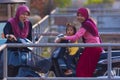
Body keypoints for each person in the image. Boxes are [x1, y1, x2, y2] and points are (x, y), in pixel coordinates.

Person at [55, 8, 103, 77]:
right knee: (85, 67)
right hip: (94, 47)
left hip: (92, 48)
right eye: (78, 15)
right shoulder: (89, 22)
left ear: (86, 15)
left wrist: (63, 37)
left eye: (81, 15)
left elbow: (76, 37)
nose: (79, 17)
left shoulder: (86, 24)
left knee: (81, 68)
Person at [2, 5, 32, 77]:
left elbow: (30, 37)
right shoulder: (11, 22)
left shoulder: (28, 24)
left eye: (26, 15)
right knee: (10, 67)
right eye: (23, 14)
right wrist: (9, 36)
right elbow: (6, 32)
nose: (25, 16)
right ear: (18, 14)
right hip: (12, 49)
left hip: (23, 49)